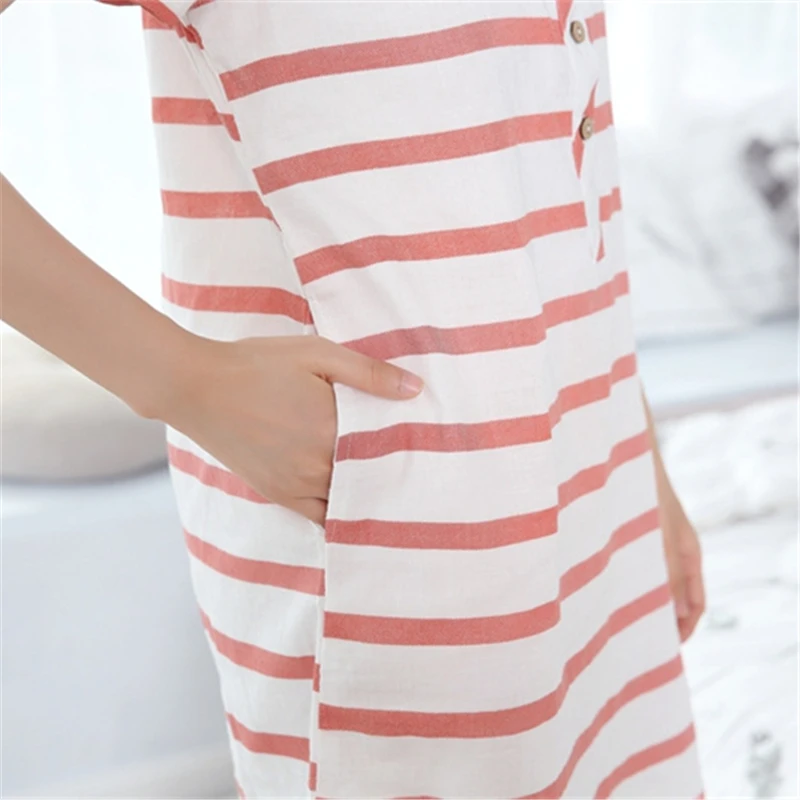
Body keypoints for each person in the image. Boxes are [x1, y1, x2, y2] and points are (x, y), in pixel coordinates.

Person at [0, 1, 707, 796]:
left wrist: (638, 455)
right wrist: (184, 381)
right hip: (404, 567)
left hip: (597, 515)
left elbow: (545, 188)